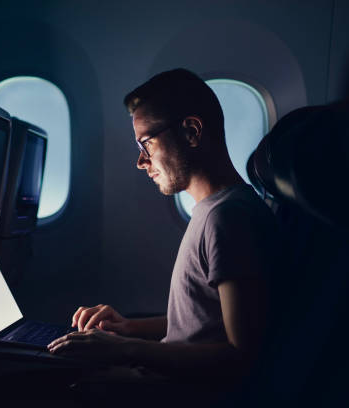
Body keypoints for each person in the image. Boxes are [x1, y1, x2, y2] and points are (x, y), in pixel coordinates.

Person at [47, 69, 278, 385]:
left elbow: (241, 354)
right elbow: (203, 323)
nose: (141, 161)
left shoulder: (228, 219)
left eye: (146, 143)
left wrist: (128, 349)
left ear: (191, 132)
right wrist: (128, 329)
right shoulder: (213, 212)